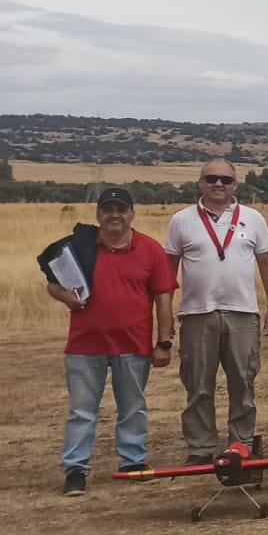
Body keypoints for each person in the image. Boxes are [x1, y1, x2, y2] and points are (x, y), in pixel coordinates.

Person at [39, 188, 178, 494]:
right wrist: (65, 296)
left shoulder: (150, 250)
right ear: (98, 215)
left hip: (133, 345)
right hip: (84, 346)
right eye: (108, 210)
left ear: (132, 214)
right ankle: (76, 469)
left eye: (121, 209)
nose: (115, 215)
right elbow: (53, 283)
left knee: (133, 407)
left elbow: (163, 299)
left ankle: (133, 461)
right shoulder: (79, 247)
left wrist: (164, 342)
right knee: (81, 411)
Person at [164, 159, 268, 463]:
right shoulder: (181, 220)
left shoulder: (253, 218)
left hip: (242, 313)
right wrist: (165, 318)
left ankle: (240, 444)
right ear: (200, 183)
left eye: (226, 180)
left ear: (235, 186)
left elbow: (267, 263)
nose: (219, 184)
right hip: (196, 314)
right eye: (212, 179)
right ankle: (201, 448)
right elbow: (168, 271)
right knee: (198, 383)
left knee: (243, 382)